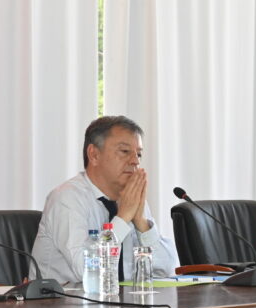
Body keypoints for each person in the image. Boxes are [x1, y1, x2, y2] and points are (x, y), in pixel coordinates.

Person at [32, 115, 177, 285]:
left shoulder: (132, 199)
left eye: (139, 154)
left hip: (124, 306)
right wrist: (122, 219)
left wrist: (142, 224)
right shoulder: (67, 198)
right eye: (124, 152)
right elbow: (85, 271)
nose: (135, 161)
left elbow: (167, 270)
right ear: (94, 155)